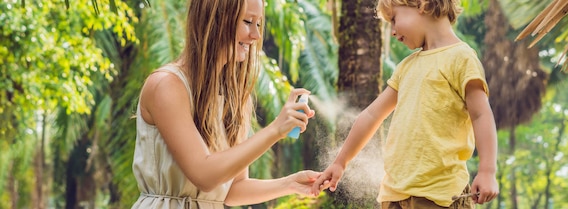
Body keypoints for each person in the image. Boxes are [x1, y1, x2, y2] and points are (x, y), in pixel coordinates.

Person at [311, 0, 499, 208]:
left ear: (422, 5)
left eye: (393, 20)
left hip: (439, 196)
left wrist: (487, 171)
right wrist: (340, 162)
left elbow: (481, 115)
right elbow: (371, 115)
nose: (392, 31)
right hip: (394, 196)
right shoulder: (405, 67)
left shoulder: (461, 58)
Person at [131, 0, 317, 208]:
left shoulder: (234, 98)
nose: (255, 36)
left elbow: (231, 190)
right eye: (247, 21)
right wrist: (275, 129)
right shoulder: (166, 85)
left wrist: (290, 183)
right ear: (215, 19)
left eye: (258, 24)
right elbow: (204, 175)